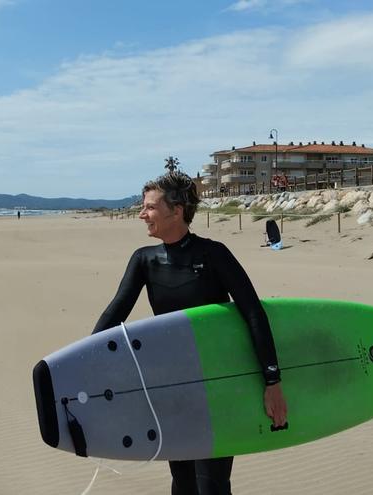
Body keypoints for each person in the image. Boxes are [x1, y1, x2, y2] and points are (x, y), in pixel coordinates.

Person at [92, 171, 287, 495]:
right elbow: (115, 313)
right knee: (182, 485)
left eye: (150, 208)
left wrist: (272, 381)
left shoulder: (213, 254)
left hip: (218, 386)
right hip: (171, 387)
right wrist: (84, 360)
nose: (142, 215)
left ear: (177, 210)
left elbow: (253, 312)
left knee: (211, 486)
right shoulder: (145, 260)